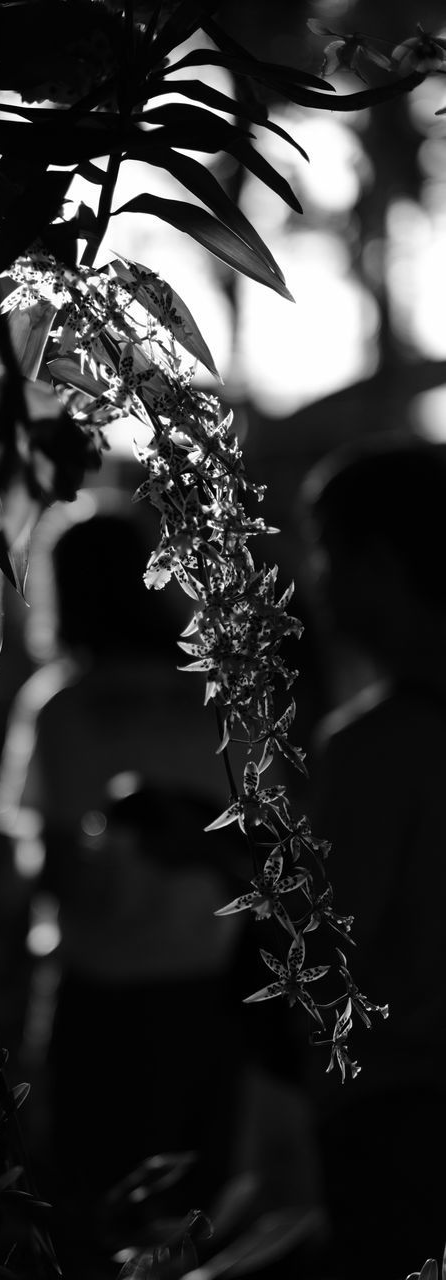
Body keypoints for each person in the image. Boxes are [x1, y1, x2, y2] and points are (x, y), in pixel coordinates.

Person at [0, 503, 253, 1265]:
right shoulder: (212, 696)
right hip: (209, 992)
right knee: (199, 1217)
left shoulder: (65, 707)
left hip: (102, 1001)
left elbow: (58, 876)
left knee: (99, 1216)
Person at [301, 435, 446, 1279]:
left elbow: (324, 952)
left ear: (378, 564)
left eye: (324, 552)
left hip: (397, 1111)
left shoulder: (374, 748)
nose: (313, 580)